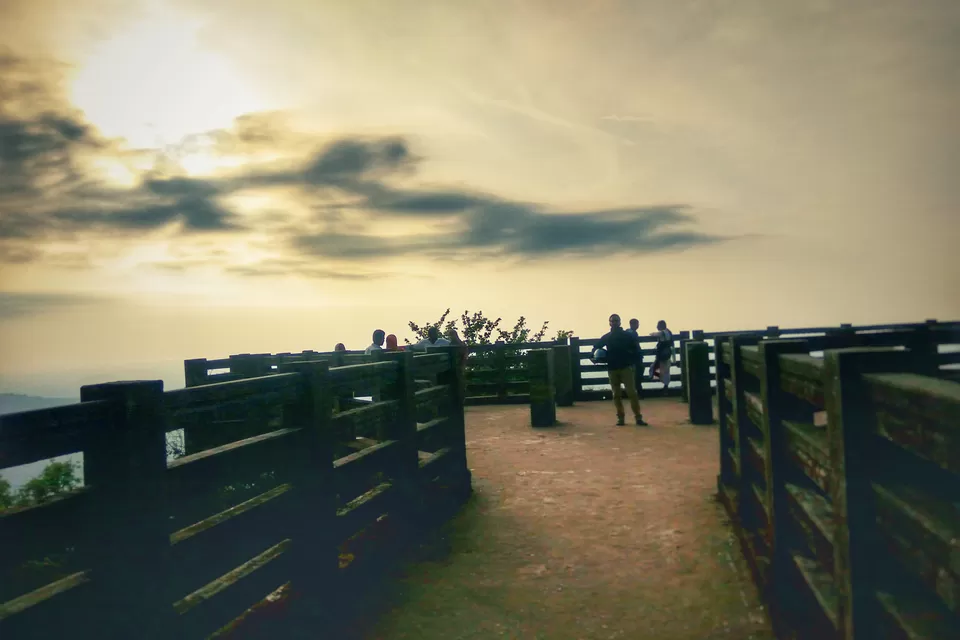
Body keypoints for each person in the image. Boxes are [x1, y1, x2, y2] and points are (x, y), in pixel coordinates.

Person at [592, 313, 648, 426]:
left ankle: (638, 418)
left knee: (632, 393)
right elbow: (596, 346)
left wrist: (635, 361)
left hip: (626, 367)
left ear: (620, 322)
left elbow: (637, 350)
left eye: (616, 321)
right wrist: (593, 357)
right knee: (616, 395)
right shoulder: (607, 337)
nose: (614, 323)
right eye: (612, 321)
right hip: (612, 368)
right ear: (609, 323)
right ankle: (621, 418)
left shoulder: (627, 336)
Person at [650, 320, 674, 389]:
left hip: (661, 354)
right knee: (666, 370)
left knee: (655, 367)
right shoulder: (669, 332)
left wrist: (651, 333)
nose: (657, 327)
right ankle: (665, 385)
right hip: (667, 353)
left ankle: (656, 377)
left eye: (658, 325)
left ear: (661, 326)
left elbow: (654, 334)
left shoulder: (662, 332)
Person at [625, 318, 644, 396]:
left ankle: (634, 392)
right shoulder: (632, 333)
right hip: (635, 357)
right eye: (637, 324)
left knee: (634, 375)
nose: (638, 325)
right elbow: (635, 345)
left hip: (631, 357)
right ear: (632, 324)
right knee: (637, 375)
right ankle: (638, 392)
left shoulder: (627, 332)